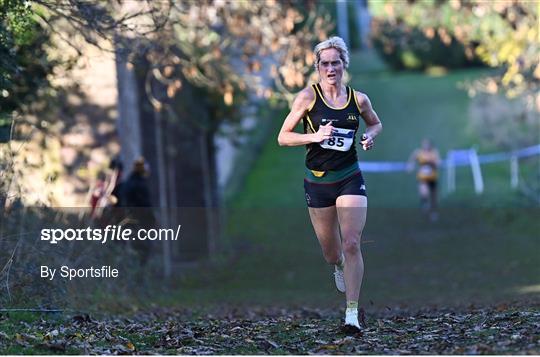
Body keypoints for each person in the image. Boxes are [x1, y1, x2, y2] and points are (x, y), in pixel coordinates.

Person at [277, 36, 382, 332]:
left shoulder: (358, 100)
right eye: (325, 63)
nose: (331, 68)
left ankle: (351, 314)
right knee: (332, 253)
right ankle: (337, 266)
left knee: (351, 243)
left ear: (344, 64)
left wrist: (370, 136)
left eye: (336, 62)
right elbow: (283, 137)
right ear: (318, 67)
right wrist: (314, 136)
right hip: (318, 182)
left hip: (349, 177)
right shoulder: (307, 98)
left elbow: (375, 123)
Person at [407, 138, 441, 221]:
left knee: (434, 196)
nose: (425, 146)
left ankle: (433, 212)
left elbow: (438, 163)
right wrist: (410, 165)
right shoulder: (418, 152)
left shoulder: (434, 153)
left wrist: (432, 162)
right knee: (424, 192)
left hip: (433, 177)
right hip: (423, 178)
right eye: (424, 144)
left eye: (427, 144)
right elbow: (412, 160)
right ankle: (425, 203)